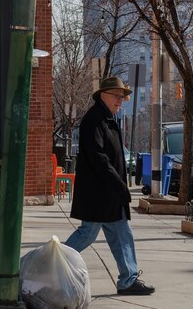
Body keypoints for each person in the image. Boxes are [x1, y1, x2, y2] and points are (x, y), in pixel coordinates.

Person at [64, 76, 155, 296]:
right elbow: (99, 158)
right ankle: (56, 263)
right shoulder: (94, 119)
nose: (120, 101)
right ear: (103, 95)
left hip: (109, 193)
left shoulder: (106, 119)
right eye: (117, 96)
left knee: (122, 233)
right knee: (88, 233)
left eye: (122, 97)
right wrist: (118, 184)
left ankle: (128, 279)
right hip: (99, 192)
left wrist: (118, 186)